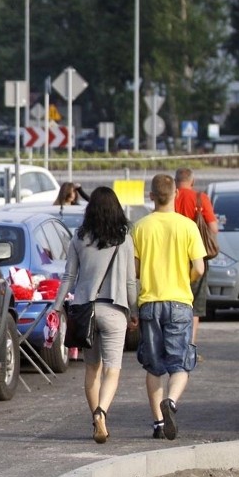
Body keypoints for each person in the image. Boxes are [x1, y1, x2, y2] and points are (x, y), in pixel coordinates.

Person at [51, 186, 139, 444]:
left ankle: (96, 418)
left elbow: (69, 276)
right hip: (115, 311)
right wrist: (134, 311)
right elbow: (130, 282)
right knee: (112, 370)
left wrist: (57, 307)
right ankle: (102, 411)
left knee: (92, 369)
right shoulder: (123, 237)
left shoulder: (79, 237)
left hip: (86, 313)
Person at [133, 173, 205, 441]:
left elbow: (135, 270)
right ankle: (172, 402)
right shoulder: (187, 227)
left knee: (153, 367)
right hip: (179, 302)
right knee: (181, 364)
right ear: (176, 194)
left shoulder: (140, 228)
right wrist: (185, 279)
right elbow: (199, 267)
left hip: (150, 302)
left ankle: (158, 424)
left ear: (151, 196)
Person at [174, 168, 218, 347]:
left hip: (174, 255)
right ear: (193, 181)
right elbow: (213, 228)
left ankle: (174, 342)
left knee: (175, 299)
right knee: (195, 304)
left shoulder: (173, 198)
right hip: (197, 256)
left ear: (176, 181)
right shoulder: (201, 199)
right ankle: (189, 345)